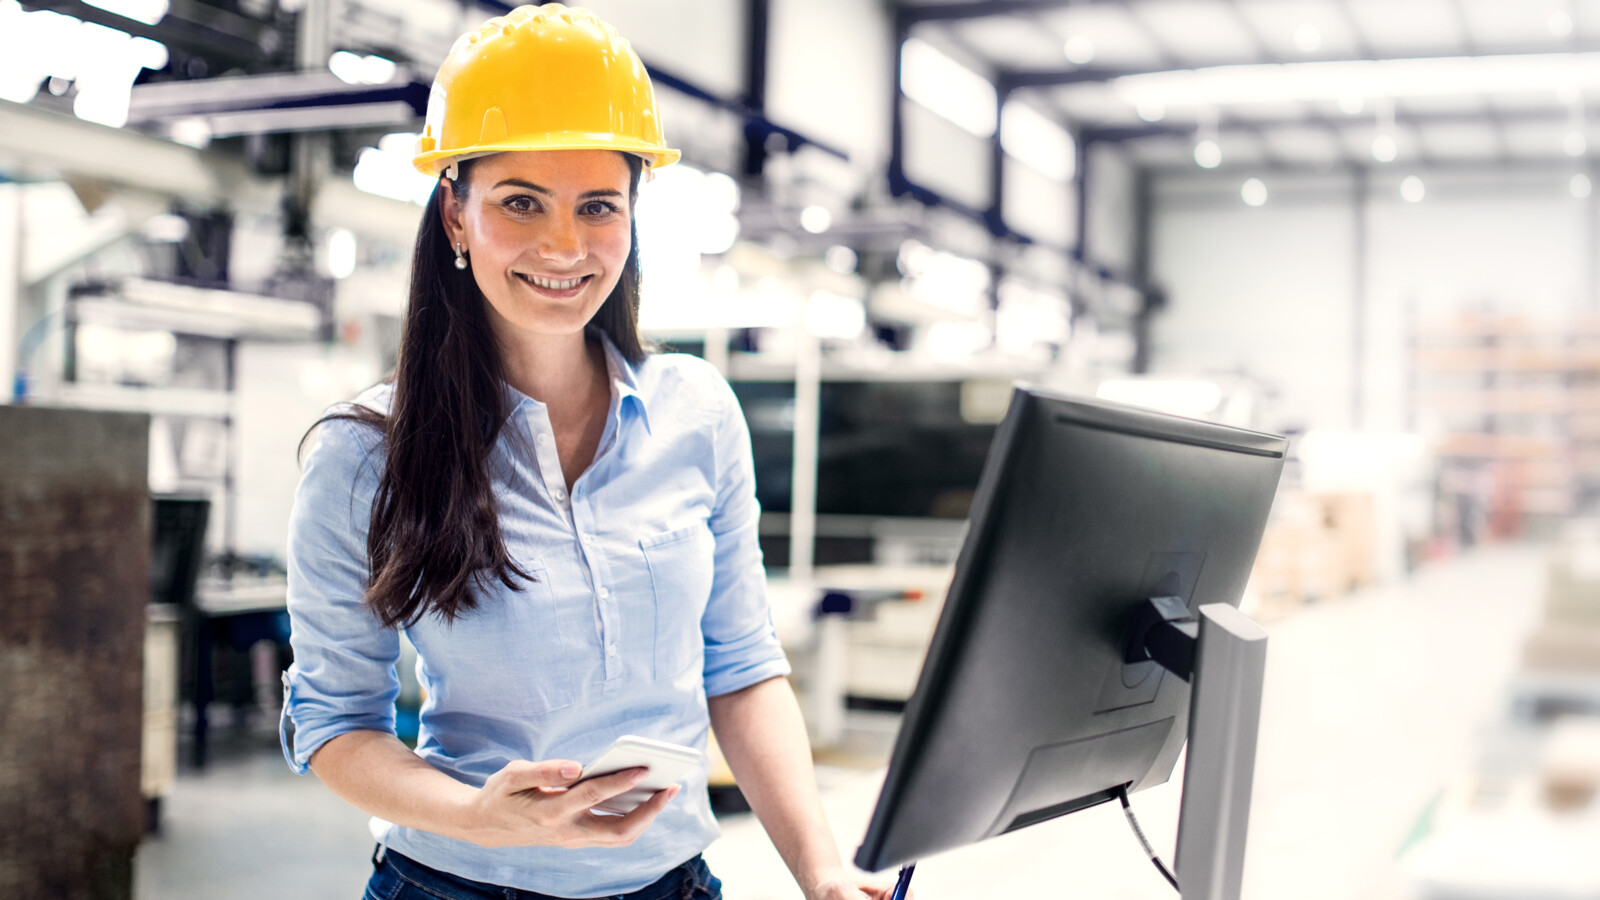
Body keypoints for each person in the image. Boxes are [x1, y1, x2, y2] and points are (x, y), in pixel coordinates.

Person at [280, 4, 900, 899]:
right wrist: (479, 815)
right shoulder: (363, 453)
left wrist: (820, 868)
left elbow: (741, 669)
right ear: (455, 215)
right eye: (520, 202)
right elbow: (336, 723)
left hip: (673, 885)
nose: (564, 245)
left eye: (598, 206)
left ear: (633, 214)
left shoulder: (698, 415)